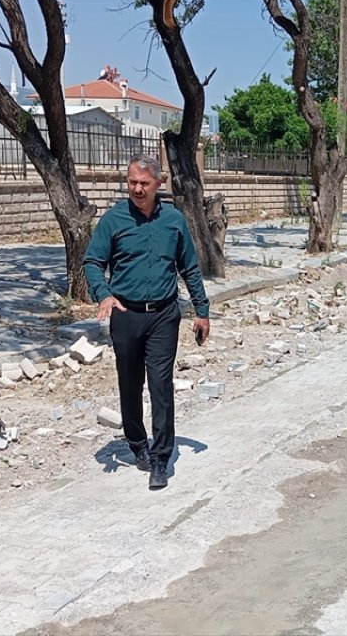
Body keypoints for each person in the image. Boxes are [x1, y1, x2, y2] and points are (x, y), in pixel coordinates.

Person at [83, 155, 211, 490]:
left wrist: (202, 310)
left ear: (159, 183)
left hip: (164, 316)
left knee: (160, 384)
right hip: (125, 314)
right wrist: (103, 294)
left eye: (144, 183)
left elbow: (190, 268)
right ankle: (137, 443)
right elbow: (93, 262)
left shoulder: (174, 221)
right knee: (129, 383)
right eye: (132, 182)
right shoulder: (113, 220)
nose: (137, 189)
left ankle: (160, 457)